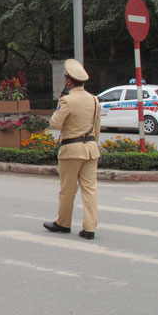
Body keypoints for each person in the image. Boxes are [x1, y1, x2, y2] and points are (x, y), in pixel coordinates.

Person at [44, 58, 101, 240]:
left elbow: (55, 124)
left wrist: (58, 108)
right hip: (91, 149)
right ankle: (90, 227)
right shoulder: (94, 100)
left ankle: (63, 223)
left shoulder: (67, 100)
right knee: (90, 189)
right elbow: (97, 127)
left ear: (68, 80)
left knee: (67, 189)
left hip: (71, 150)